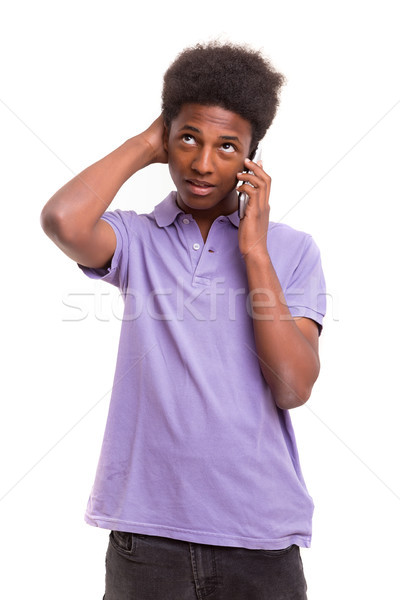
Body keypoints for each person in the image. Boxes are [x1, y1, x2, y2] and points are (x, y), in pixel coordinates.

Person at [41, 41, 326, 600]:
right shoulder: (137, 239)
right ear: (167, 138)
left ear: (252, 159)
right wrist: (145, 142)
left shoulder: (292, 252)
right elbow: (62, 219)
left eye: (227, 147)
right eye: (188, 138)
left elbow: (293, 386)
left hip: (259, 538)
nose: (201, 163)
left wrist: (255, 251)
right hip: (147, 538)